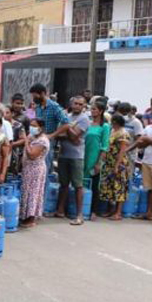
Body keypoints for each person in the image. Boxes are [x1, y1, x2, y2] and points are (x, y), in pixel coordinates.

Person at [53, 96, 90, 225]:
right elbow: (59, 135)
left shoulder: (84, 119)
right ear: (71, 104)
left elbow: (75, 138)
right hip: (63, 154)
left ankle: (79, 215)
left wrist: (67, 128)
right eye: (76, 103)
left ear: (84, 106)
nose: (77, 106)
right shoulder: (66, 116)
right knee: (63, 184)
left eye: (80, 104)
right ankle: (60, 210)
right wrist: (69, 131)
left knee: (78, 185)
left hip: (77, 156)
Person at [30, 83, 69, 186]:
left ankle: (44, 199)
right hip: (37, 140)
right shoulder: (38, 107)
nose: (33, 98)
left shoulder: (54, 106)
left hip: (48, 142)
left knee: (44, 172)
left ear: (42, 93)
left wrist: (52, 135)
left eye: (35, 96)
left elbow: (66, 124)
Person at [131, 104, 152, 226]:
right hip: (147, 161)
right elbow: (140, 144)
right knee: (150, 189)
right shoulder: (149, 127)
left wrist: (148, 140)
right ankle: (149, 213)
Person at [20, 119, 51, 228]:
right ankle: (25, 216)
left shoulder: (42, 141)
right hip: (28, 169)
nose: (31, 128)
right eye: (31, 125)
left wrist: (26, 142)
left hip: (36, 170)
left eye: (34, 126)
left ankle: (31, 218)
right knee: (27, 192)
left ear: (41, 128)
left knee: (33, 193)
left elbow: (32, 155)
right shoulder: (33, 137)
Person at [100, 114, 132, 220]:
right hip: (109, 162)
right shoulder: (113, 131)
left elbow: (122, 151)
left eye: (112, 121)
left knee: (119, 187)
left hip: (119, 164)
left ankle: (118, 213)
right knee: (109, 187)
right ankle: (110, 210)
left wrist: (117, 166)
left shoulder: (123, 133)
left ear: (116, 122)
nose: (111, 123)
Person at [84, 100, 110, 218]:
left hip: (96, 158)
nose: (92, 111)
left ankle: (94, 210)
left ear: (100, 111)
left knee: (95, 185)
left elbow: (105, 146)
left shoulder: (104, 126)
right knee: (83, 183)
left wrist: (99, 163)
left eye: (94, 109)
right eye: (91, 108)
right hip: (84, 156)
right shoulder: (88, 123)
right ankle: (82, 208)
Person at [118, 102, 144, 176]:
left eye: (124, 113)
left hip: (129, 154)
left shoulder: (136, 123)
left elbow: (139, 140)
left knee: (127, 177)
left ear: (129, 111)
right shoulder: (119, 120)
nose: (123, 115)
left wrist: (127, 149)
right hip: (118, 153)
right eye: (121, 112)